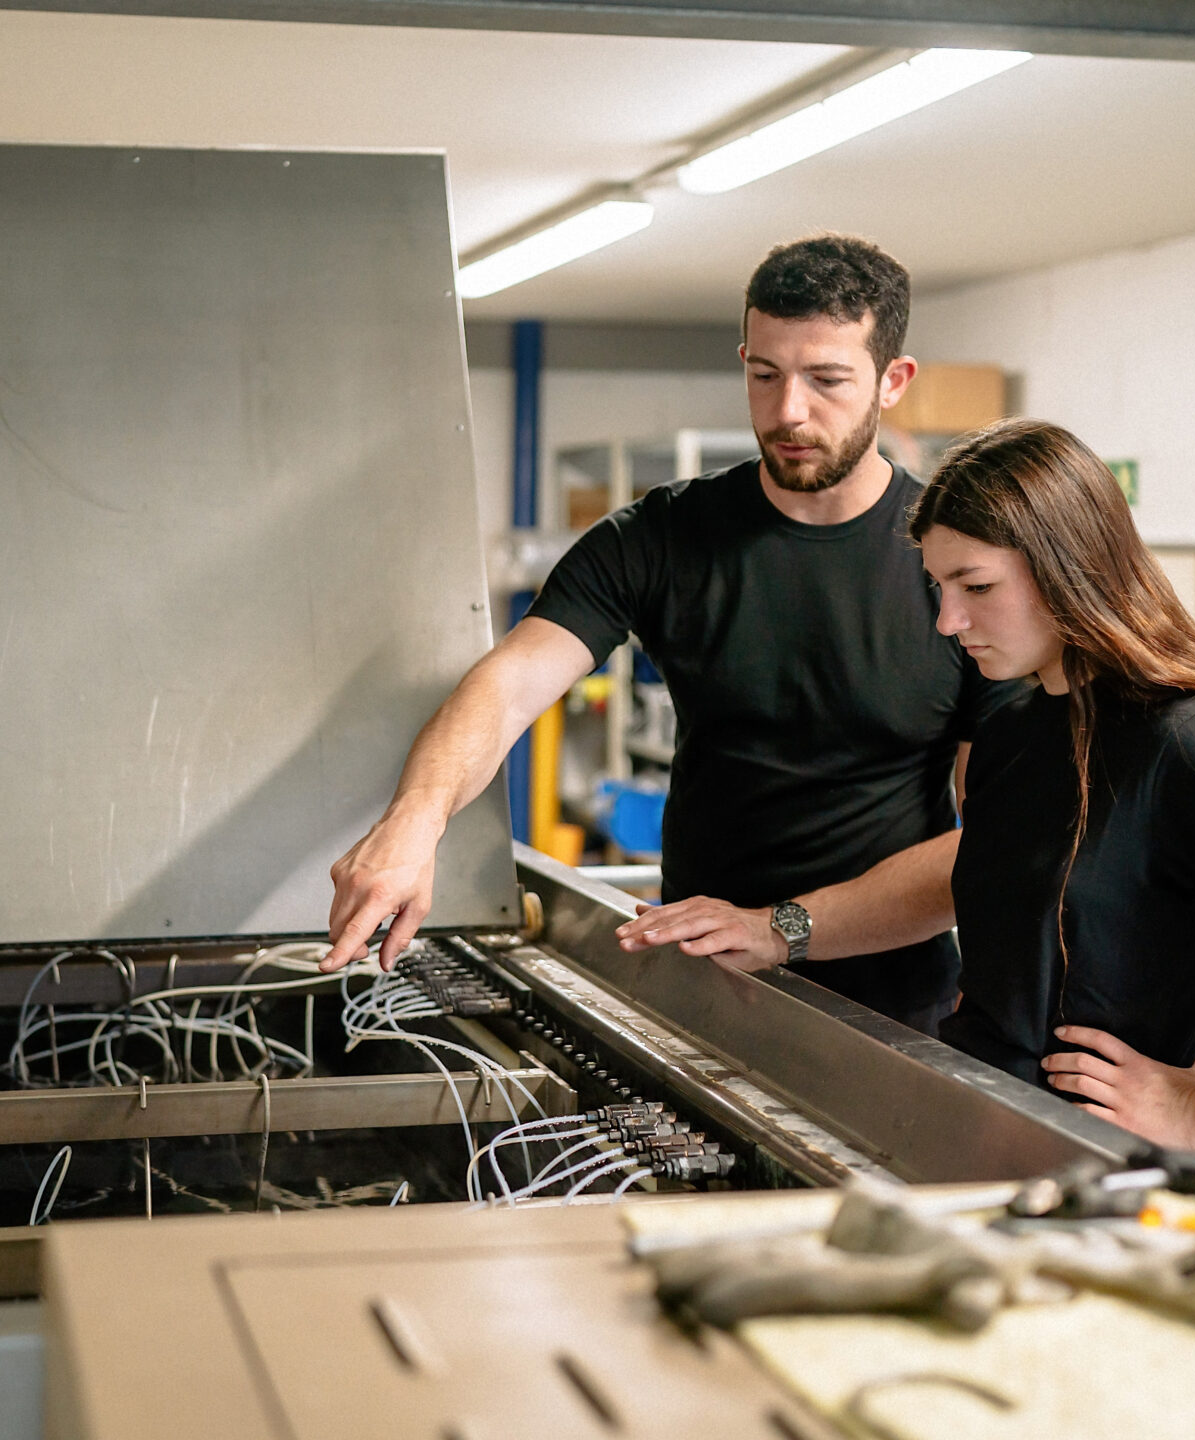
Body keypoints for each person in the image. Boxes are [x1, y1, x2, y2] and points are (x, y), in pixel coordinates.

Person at [616, 419, 1195, 1155]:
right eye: (938, 588)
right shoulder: (1020, 731)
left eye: (976, 587)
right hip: (992, 1132)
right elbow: (984, 866)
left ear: (1069, 568)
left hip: (1114, 1172)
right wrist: (780, 928)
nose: (947, 621)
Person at [322, 234, 986, 1036]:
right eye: (764, 375)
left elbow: (990, 841)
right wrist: (412, 824)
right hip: (703, 987)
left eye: (827, 380)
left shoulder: (957, 566)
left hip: (894, 1011)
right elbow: (507, 687)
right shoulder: (666, 536)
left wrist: (781, 928)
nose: (788, 412)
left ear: (893, 382)